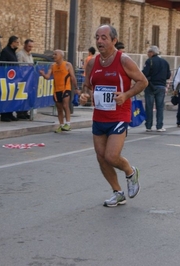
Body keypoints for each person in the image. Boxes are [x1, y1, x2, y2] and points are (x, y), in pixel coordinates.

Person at [79, 25, 148, 207]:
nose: (100, 41)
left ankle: (130, 172)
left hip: (119, 115)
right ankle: (117, 193)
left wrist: (125, 95)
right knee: (101, 157)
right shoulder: (92, 62)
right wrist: (84, 94)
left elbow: (143, 81)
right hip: (99, 116)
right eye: (97, 37)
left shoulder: (124, 60)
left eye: (104, 38)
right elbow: (87, 85)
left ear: (114, 40)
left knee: (111, 156)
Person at [39, 50, 77, 133]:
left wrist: (76, 88)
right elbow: (47, 77)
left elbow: (73, 77)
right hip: (56, 90)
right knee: (59, 108)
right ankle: (61, 125)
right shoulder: (52, 66)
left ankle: (68, 124)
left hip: (66, 88)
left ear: (61, 56)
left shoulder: (67, 65)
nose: (53, 56)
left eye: (55, 54)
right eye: (53, 54)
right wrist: (43, 74)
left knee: (65, 105)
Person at [142, 45, 171, 132]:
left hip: (150, 86)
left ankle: (148, 126)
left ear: (152, 53)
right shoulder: (165, 62)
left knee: (149, 106)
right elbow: (168, 75)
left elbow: (144, 73)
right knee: (160, 107)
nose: (147, 54)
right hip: (161, 86)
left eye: (148, 52)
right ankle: (159, 126)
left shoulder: (149, 61)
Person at [0, 35, 20, 122]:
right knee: (6, 96)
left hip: (13, 78)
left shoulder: (13, 51)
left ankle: (10, 113)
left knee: (11, 97)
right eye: (17, 42)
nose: (18, 44)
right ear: (12, 42)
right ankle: (4, 115)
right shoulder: (5, 51)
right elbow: (1, 64)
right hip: (7, 77)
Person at [16, 39, 34, 120]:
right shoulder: (20, 54)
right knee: (21, 95)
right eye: (29, 46)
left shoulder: (30, 54)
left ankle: (25, 111)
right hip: (22, 77)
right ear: (25, 45)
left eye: (31, 46)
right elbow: (19, 65)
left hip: (28, 78)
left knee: (27, 95)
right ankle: (20, 112)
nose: (30, 48)